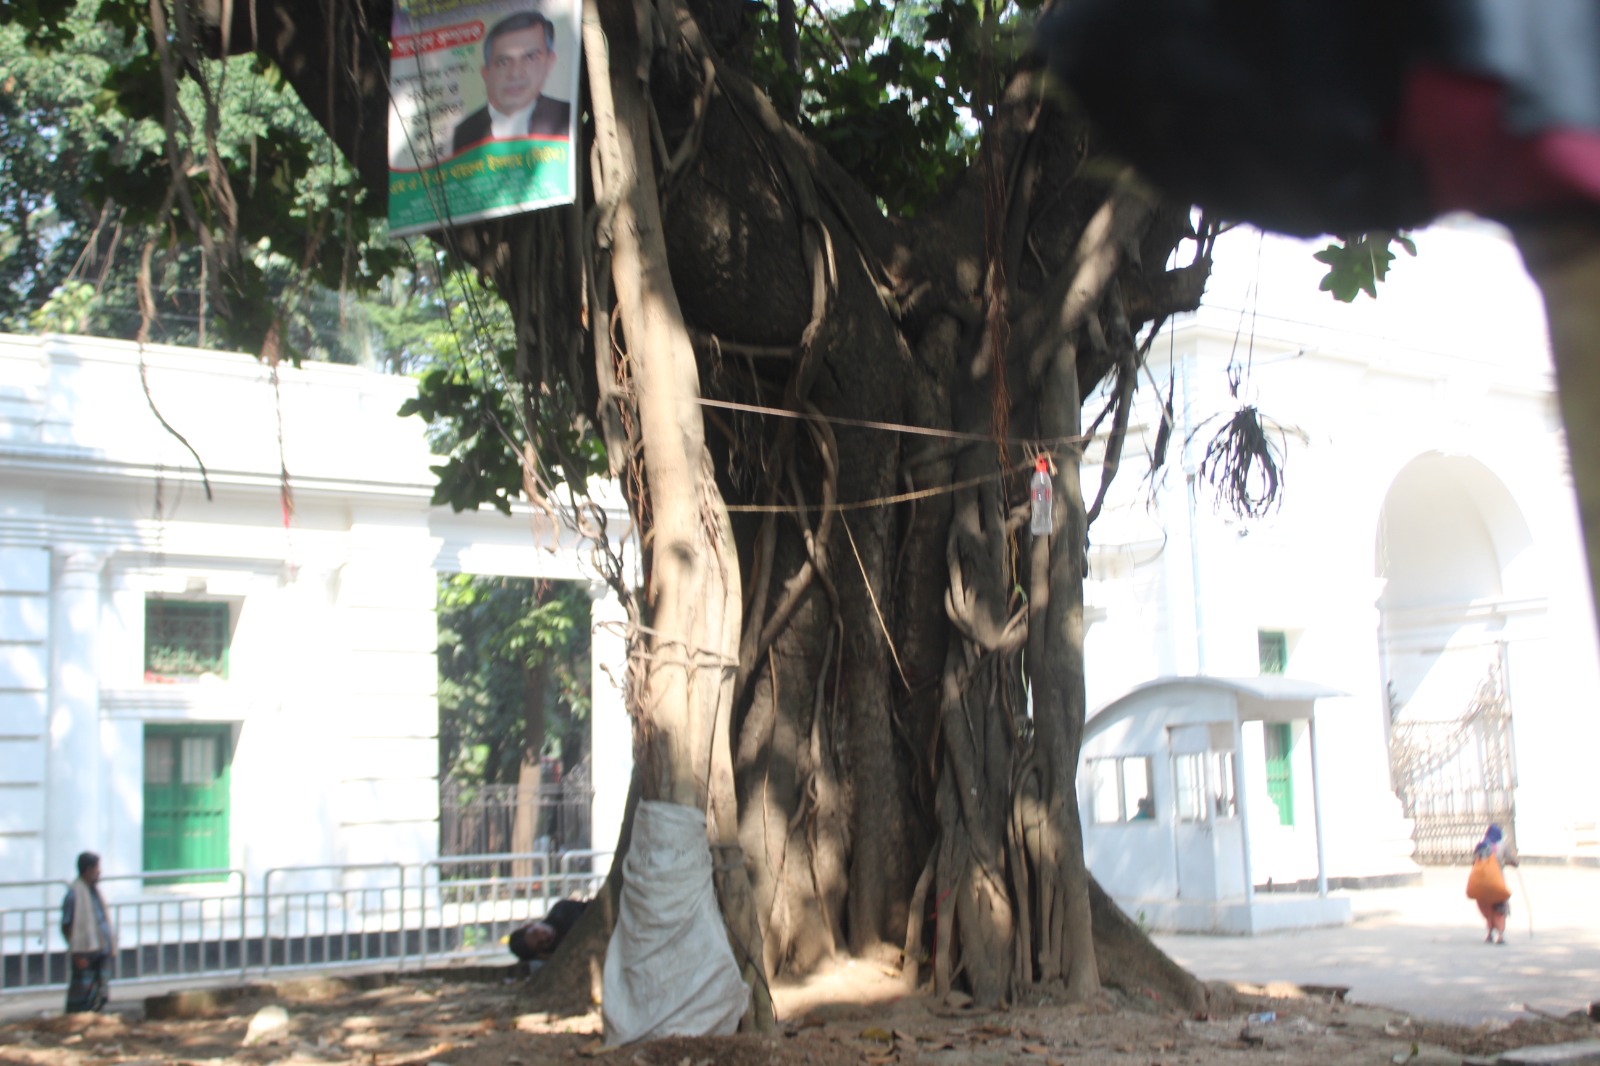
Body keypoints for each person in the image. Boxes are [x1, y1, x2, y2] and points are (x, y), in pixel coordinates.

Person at [452, 10, 571, 153]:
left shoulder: (566, 116)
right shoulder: (465, 133)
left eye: (530, 57)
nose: (515, 74)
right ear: (486, 73)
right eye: (503, 62)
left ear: (549, 63)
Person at [60, 851, 115, 1013]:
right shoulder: (74, 894)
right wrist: (76, 954)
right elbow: (66, 926)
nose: (99, 872)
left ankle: (95, 1018)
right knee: (82, 994)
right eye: (97, 868)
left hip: (100, 949)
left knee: (100, 992)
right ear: (87, 870)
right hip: (84, 952)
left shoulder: (95, 892)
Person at [1466, 823, 1518, 945]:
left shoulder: (1481, 846)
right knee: (1500, 908)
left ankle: (1489, 934)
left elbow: (1474, 862)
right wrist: (1514, 862)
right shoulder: (1501, 846)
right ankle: (1500, 935)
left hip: (1483, 883)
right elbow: (1512, 860)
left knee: (1488, 907)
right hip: (1497, 881)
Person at [507, 897, 587, 970]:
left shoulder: (563, 909)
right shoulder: (556, 955)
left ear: (529, 925)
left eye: (535, 934)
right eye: (540, 944)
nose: (543, 938)